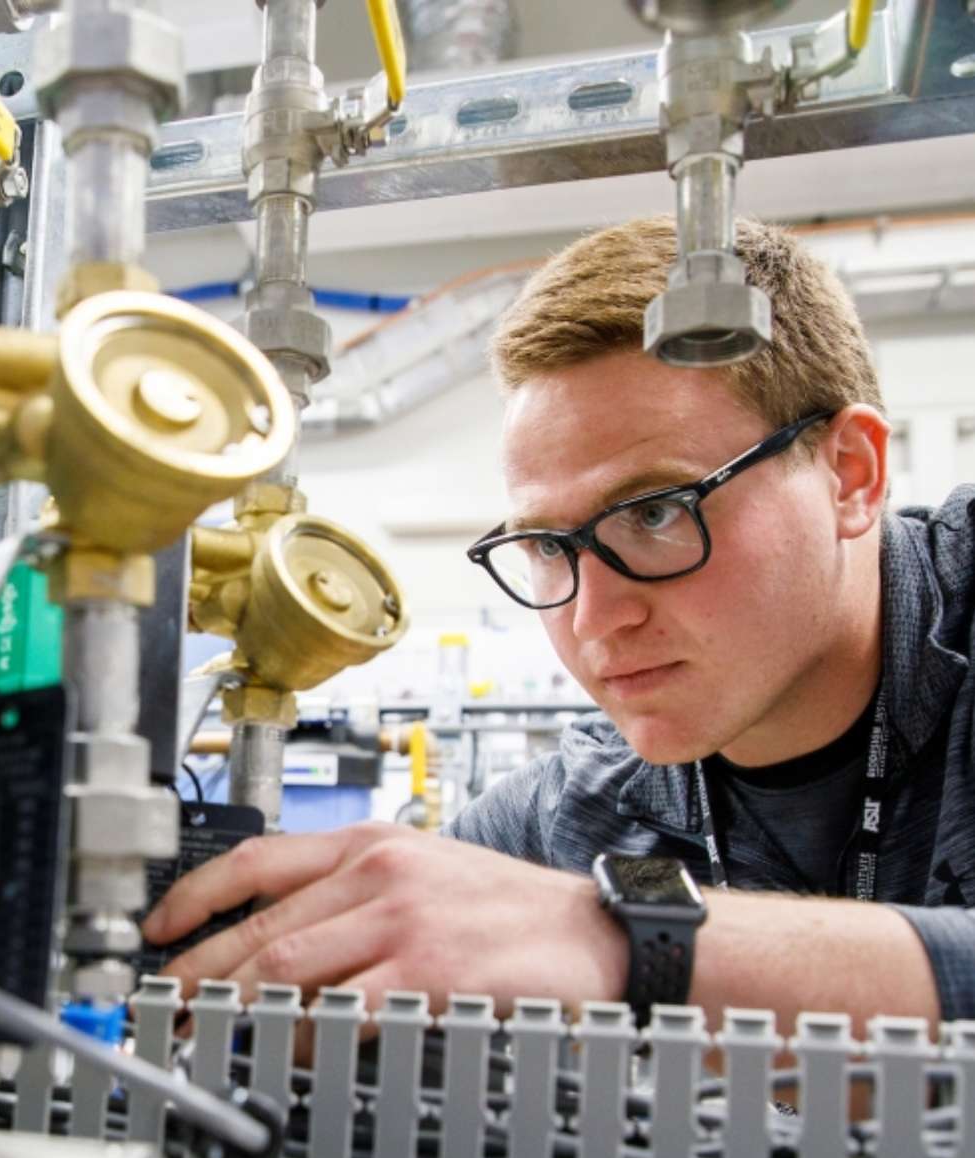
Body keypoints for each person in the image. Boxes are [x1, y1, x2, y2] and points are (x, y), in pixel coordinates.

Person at [142, 215, 974, 1033]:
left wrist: (627, 942)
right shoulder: (565, 820)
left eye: (655, 513)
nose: (595, 618)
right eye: (547, 546)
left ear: (851, 475)